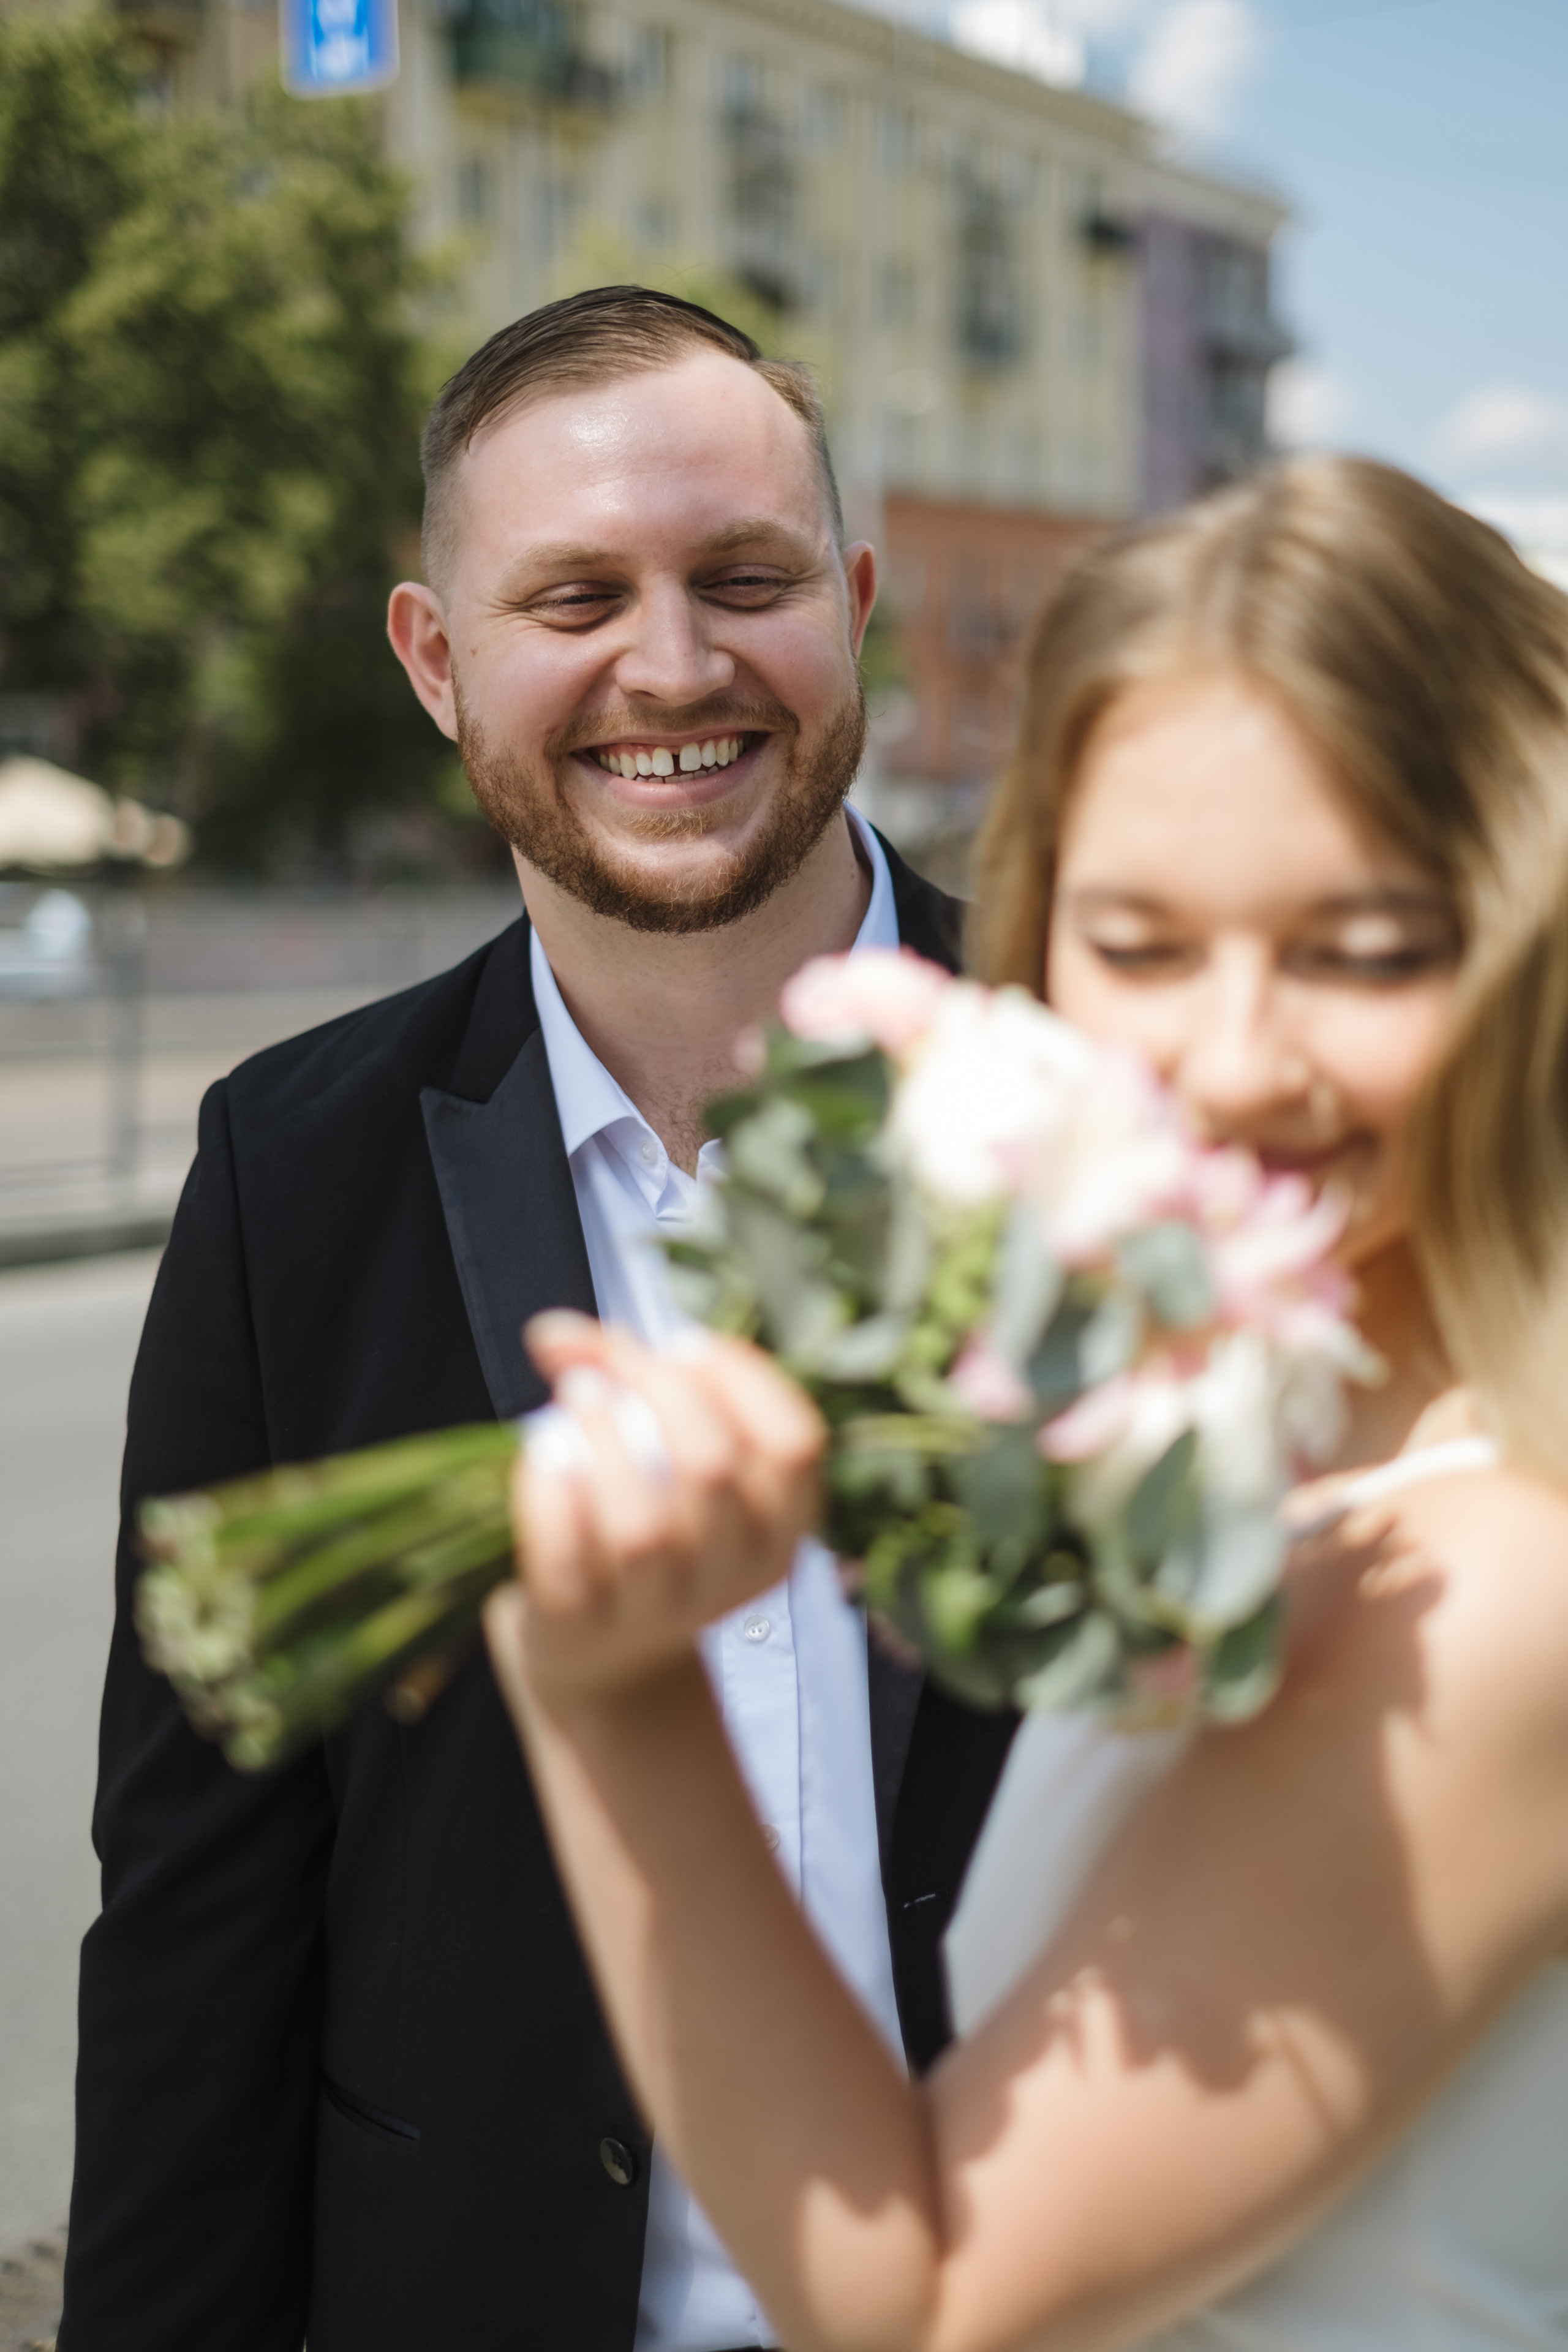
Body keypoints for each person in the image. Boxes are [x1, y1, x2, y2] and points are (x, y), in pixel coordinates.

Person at [483, 456, 1568, 2352]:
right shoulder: (1302, 1435)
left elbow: (928, 2301)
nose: (1232, 1062)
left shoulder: (1496, 1588)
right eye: (1141, 944)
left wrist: (611, 1700)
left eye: (1362, 947)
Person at [61, 287, 1017, 2352]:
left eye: (745, 579)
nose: (670, 667)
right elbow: (200, 1921)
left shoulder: (1117, 1098)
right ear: (436, 660)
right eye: (573, 596)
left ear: (851, 603)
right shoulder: (284, 1174)